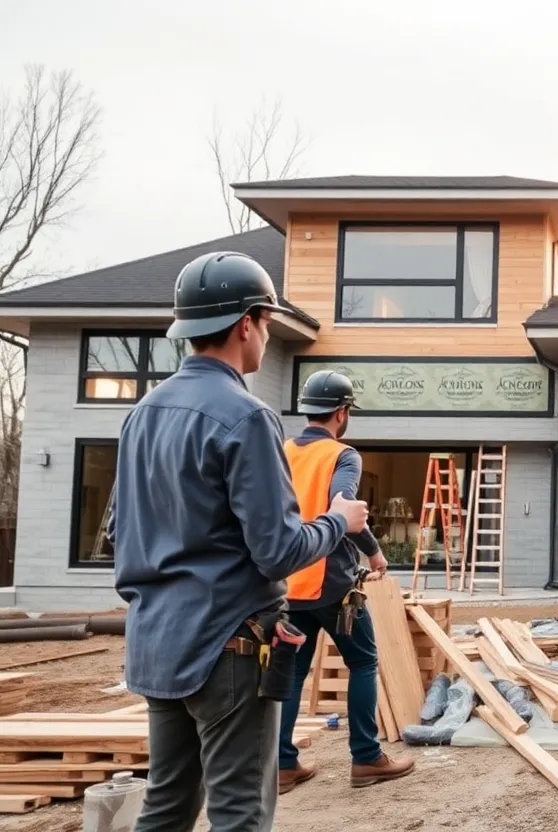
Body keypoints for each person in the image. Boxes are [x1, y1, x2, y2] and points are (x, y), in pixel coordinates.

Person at [109, 251, 369, 832]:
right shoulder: (246, 416)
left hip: (156, 642)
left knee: (167, 805)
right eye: (268, 322)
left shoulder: (141, 414)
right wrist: (338, 522)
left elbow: (119, 534)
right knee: (239, 814)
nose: (268, 335)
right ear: (247, 323)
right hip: (227, 646)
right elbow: (278, 551)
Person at [277, 369, 415, 792]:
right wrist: (374, 551)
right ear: (342, 412)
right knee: (363, 662)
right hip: (332, 582)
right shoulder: (343, 455)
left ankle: (282, 765)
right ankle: (367, 758)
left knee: (292, 673)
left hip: (287, 582)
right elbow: (344, 507)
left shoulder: (282, 450)